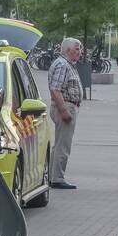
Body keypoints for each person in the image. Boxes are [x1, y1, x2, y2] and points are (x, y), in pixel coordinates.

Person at [47, 37, 83, 190]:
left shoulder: (67, 64)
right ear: (67, 50)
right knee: (63, 144)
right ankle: (57, 178)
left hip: (67, 106)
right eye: (77, 48)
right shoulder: (63, 64)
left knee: (60, 143)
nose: (80, 52)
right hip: (65, 107)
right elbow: (56, 88)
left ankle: (53, 176)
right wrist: (63, 110)